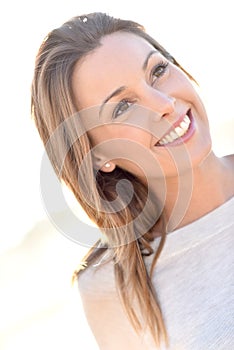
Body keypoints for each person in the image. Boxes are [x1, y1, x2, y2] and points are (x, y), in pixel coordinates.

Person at [31, 12, 234, 349]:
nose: (165, 105)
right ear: (98, 156)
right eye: (123, 106)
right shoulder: (110, 286)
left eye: (158, 70)